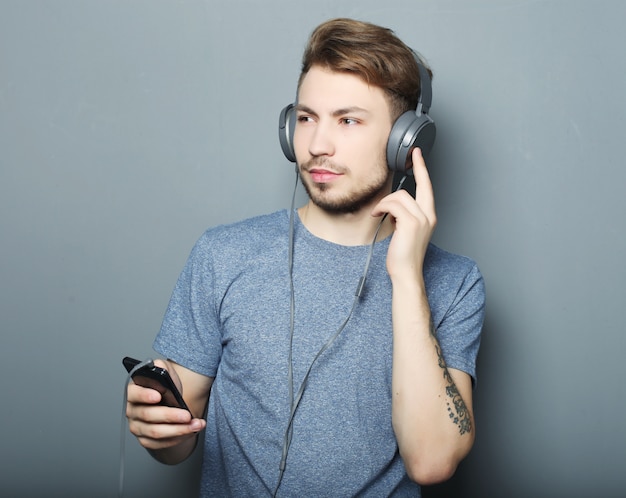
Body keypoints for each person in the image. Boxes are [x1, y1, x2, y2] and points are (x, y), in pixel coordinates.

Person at [126, 17, 485, 497]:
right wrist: (157, 429)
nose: (316, 146)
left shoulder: (454, 282)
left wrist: (406, 278)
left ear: (407, 142)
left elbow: (432, 460)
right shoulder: (224, 254)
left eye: (348, 120)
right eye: (307, 117)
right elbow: (177, 439)